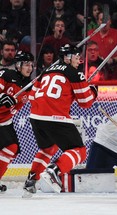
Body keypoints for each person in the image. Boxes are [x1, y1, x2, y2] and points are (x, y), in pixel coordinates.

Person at [22, 44, 97, 197]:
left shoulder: (46, 71)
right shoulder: (74, 73)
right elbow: (86, 102)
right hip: (54, 116)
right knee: (79, 151)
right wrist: (93, 92)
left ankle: (31, 180)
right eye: (77, 57)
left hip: (35, 116)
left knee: (48, 148)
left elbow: (32, 96)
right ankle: (54, 171)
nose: (79, 61)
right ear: (68, 58)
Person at [0, 51, 34, 192]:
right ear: (19, 65)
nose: (29, 68)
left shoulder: (29, 85)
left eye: (31, 65)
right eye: (26, 64)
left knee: (12, 149)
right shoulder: (7, 74)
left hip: (5, 121)